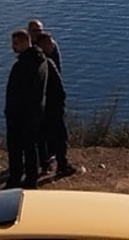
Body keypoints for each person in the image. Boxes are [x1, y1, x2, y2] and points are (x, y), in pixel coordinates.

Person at [5, 28, 50, 189]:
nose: (13, 47)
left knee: (16, 148)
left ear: (25, 41)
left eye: (16, 43)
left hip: (20, 114)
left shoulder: (22, 66)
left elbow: (17, 92)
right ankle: (31, 178)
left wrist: (11, 112)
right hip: (36, 111)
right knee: (31, 147)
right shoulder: (42, 61)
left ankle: (16, 178)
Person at [35, 31, 77, 177]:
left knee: (42, 136)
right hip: (52, 105)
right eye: (49, 43)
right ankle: (62, 165)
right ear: (43, 45)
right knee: (60, 135)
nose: (53, 45)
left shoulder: (36, 61)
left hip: (42, 106)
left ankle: (44, 164)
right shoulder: (46, 63)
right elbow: (55, 87)